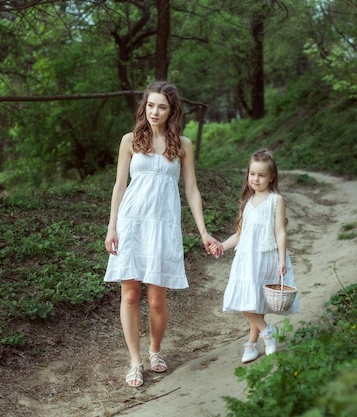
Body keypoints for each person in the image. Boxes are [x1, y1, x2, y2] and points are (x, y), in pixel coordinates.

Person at [104, 81, 223, 388]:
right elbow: (119, 186)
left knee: (157, 301)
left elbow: (192, 189)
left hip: (163, 226)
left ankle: (155, 350)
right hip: (131, 224)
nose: (154, 112)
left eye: (162, 107)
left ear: (172, 111)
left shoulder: (182, 144)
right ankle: (135, 361)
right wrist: (112, 226)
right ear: (144, 107)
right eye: (151, 105)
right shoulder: (130, 140)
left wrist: (204, 232)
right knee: (129, 295)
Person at [210, 149, 299, 363]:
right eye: (252, 174)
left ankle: (254, 341)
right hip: (246, 258)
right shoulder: (248, 203)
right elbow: (240, 235)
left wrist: (281, 259)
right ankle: (266, 333)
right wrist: (222, 245)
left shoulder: (275, 200)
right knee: (245, 300)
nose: (256, 179)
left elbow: (279, 231)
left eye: (261, 175)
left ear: (271, 177)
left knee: (254, 301)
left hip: (266, 256)